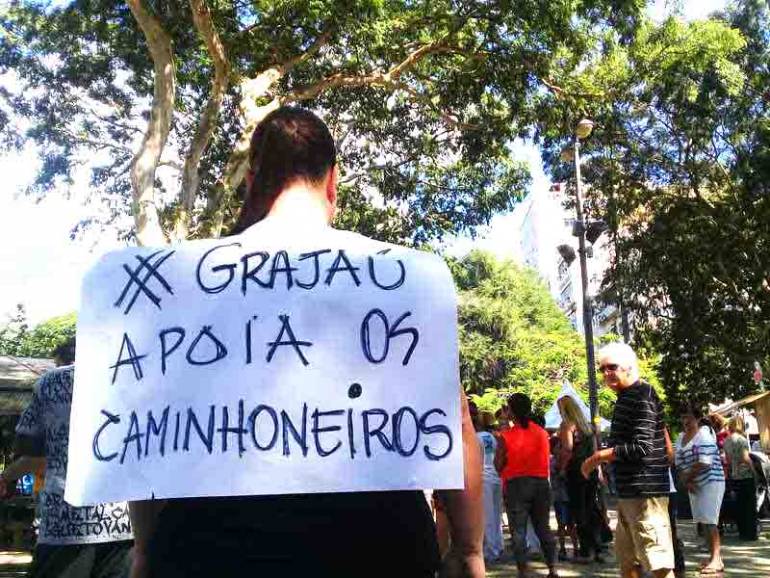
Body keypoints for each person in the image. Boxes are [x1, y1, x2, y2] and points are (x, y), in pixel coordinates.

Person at [128, 106, 484, 578]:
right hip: (379, 544)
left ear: (252, 179)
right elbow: (455, 420)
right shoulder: (404, 279)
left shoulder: (179, 282)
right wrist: (470, 549)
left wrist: (146, 550)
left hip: (206, 544)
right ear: (332, 180)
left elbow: (155, 431)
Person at [0, 338, 134, 578]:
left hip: (65, 521)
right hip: (122, 522)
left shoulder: (50, 382)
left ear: (61, 359)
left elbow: (34, 455)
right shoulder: (127, 378)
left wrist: (6, 476)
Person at [581, 342, 674, 578]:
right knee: (627, 560)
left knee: (658, 563)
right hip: (629, 492)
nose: (606, 374)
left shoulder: (642, 394)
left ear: (629, 367)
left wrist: (600, 456)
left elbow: (642, 447)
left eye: (611, 367)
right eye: (602, 369)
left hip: (645, 493)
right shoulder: (626, 396)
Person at [495, 393, 559, 578]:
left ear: (512, 412)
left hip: (516, 485)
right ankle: (553, 568)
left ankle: (523, 570)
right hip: (540, 484)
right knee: (543, 528)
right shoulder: (542, 433)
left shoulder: (505, 436)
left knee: (518, 531)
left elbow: (498, 465)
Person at [674, 405, 725, 574]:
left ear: (697, 418)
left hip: (711, 482)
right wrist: (686, 481)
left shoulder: (704, 435)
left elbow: (704, 461)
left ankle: (717, 560)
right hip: (694, 484)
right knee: (702, 521)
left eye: (689, 417)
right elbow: (679, 463)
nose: (685, 421)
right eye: (683, 417)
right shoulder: (680, 437)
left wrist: (687, 478)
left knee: (710, 521)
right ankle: (711, 557)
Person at [557, 396, 603, 563]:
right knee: (591, 509)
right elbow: (595, 450)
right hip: (589, 470)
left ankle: (586, 550)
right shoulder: (588, 427)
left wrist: (561, 467)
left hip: (575, 471)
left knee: (579, 511)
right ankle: (597, 548)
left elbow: (568, 449)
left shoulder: (567, 426)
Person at [475, 410, 504, 563]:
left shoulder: (476, 437)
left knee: (487, 515)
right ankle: (498, 546)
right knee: (497, 514)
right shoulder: (492, 437)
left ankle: (491, 550)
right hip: (496, 477)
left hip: (484, 477)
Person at [723, 415, 757, 541]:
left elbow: (728, 460)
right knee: (750, 506)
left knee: (740, 506)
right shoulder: (742, 440)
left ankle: (742, 532)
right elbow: (745, 458)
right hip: (745, 475)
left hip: (734, 476)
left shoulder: (726, 441)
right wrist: (754, 470)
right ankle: (751, 534)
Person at [550, 436, 578, 561]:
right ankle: (562, 549)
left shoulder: (566, 461)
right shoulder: (553, 462)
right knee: (561, 525)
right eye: (558, 447)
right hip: (559, 497)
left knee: (571, 525)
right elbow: (559, 474)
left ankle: (576, 548)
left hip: (568, 497)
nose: (561, 449)